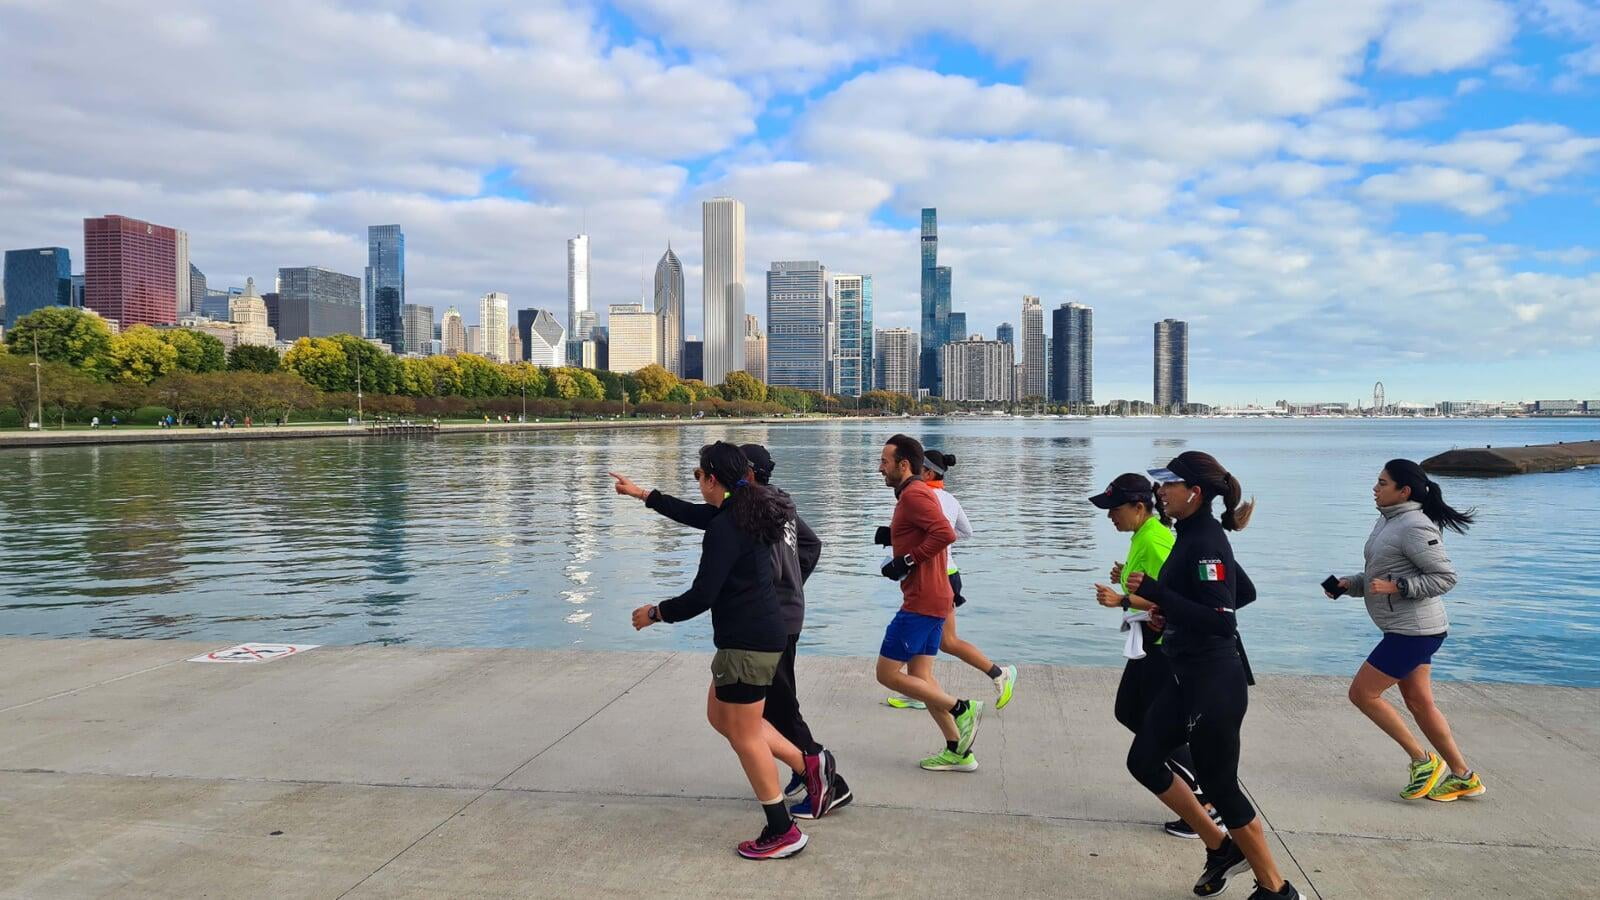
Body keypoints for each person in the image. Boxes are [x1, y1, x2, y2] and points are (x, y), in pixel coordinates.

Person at [610, 443, 852, 818]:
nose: (698, 482)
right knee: (737, 714)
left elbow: (704, 592)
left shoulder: (742, 517)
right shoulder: (759, 508)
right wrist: (644, 494)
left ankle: (817, 780)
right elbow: (697, 515)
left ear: (726, 477)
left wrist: (657, 613)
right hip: (769, 622)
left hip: (762, 626)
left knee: (774, 714)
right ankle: (809, 769)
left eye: (699, 475)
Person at [1123, 451, 1300, 900]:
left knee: (1221, 785)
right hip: (1186, 675)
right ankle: (1221, 848)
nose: (1160, 492)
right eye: (1160, 485)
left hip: (1214, 681)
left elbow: (1223, 619)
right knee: (1143, 760)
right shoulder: (1191, 533)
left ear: (1194, 493)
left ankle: (1277, 888)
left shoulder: (1203, 540)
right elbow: (1244, 592)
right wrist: (1170, 614)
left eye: (1168, 485)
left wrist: (1160, 595)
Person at [1330, 459, 1484, 803]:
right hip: (1406, 628)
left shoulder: (1415, 526)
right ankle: (1463, 776)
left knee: (1362, 695)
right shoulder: (1388, 521)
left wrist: (1400, 586)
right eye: (1377, 482)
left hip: (1414, 631)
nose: (1375, 488)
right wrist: (1349, 585)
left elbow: (1445, 578)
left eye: (1382, 483)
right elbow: (1379, 577)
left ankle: (1423, 761)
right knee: (1419, 702)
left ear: (1404, 491)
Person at [1090, 473, 1220, 840]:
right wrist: (1125, 577)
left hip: (1164, 647)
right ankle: (1201, 792)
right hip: (1148, 641)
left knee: (1151, 726)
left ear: (1139, 507)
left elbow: (1178, 593)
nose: (1109, 516)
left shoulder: (1157, 537)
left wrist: (1123, 599)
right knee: (1129, 712)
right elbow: (1153, 583)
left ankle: (1208, 800)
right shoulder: (1141, 536)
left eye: (1114, 509)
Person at [874, 434, 984, 773]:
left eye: (884, 462)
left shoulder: (915, 494)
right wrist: (893, 539)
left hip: (923, 601)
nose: (880, 468)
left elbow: (945, 533)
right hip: (935, 597)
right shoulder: (915, 494)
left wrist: (906, 561)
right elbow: (929, 532)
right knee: (921, 678)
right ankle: (958, 750)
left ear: (904, 465)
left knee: (887, 675)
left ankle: (962, 708)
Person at [884, 449, 1018, 711]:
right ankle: (919, 689)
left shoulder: (920, 496)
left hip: (936, 578)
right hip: (949, 573)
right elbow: (964, 532)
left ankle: (998, 673)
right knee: (934, 640)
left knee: (947, 641)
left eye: (917, 468)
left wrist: (923, 548)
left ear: (928, 473)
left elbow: (937, 534)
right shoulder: (948, 498)